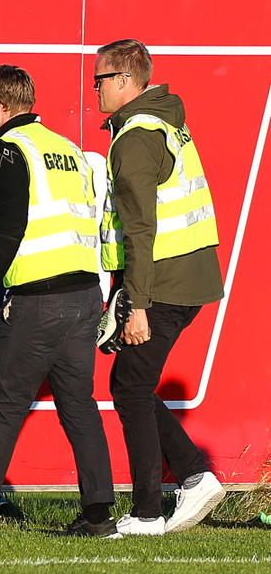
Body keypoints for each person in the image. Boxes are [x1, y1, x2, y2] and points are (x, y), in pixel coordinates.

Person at [0, 64, 117, 539]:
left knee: (4, 406)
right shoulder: (66, 148)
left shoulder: (10, 149)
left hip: (37, 298)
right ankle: (98, 516)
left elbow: (9, 227)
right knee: (79, 406)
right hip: (83, 295)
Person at [94, 39, 225, 536]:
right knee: (132, 386)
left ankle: (150, 511)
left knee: (129, 389)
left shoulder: (136, 136)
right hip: (183, 278)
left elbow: (140, 230)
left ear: (125, 81)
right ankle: (192, 475)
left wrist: (137, 305)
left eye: (100, 79)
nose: (95, 89)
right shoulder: (163, 122)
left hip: (164, 285)